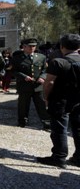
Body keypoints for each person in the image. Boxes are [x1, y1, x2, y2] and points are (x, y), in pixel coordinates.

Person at [37, 34, 80, 168]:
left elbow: (49, 82)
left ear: (62, 46)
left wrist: (45, 97)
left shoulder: (58, 62)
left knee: (59, 129)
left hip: (60, 100)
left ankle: (59, 157)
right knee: (78, 129)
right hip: (78, 100)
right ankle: (78, 158)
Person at [11, 38, 51, 130]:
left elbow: (45, 70)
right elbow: (13, 71)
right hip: (24, 86)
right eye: (30, 46)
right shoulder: (17, 58)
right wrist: (23, 76)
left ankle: (46, 123)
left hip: (38, 86)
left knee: (42, 104)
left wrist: (42, 77)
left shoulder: (41, 57)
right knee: (23, 105)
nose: (32, 48)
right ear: (24, 47)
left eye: (34, 46)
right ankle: (22, 121)